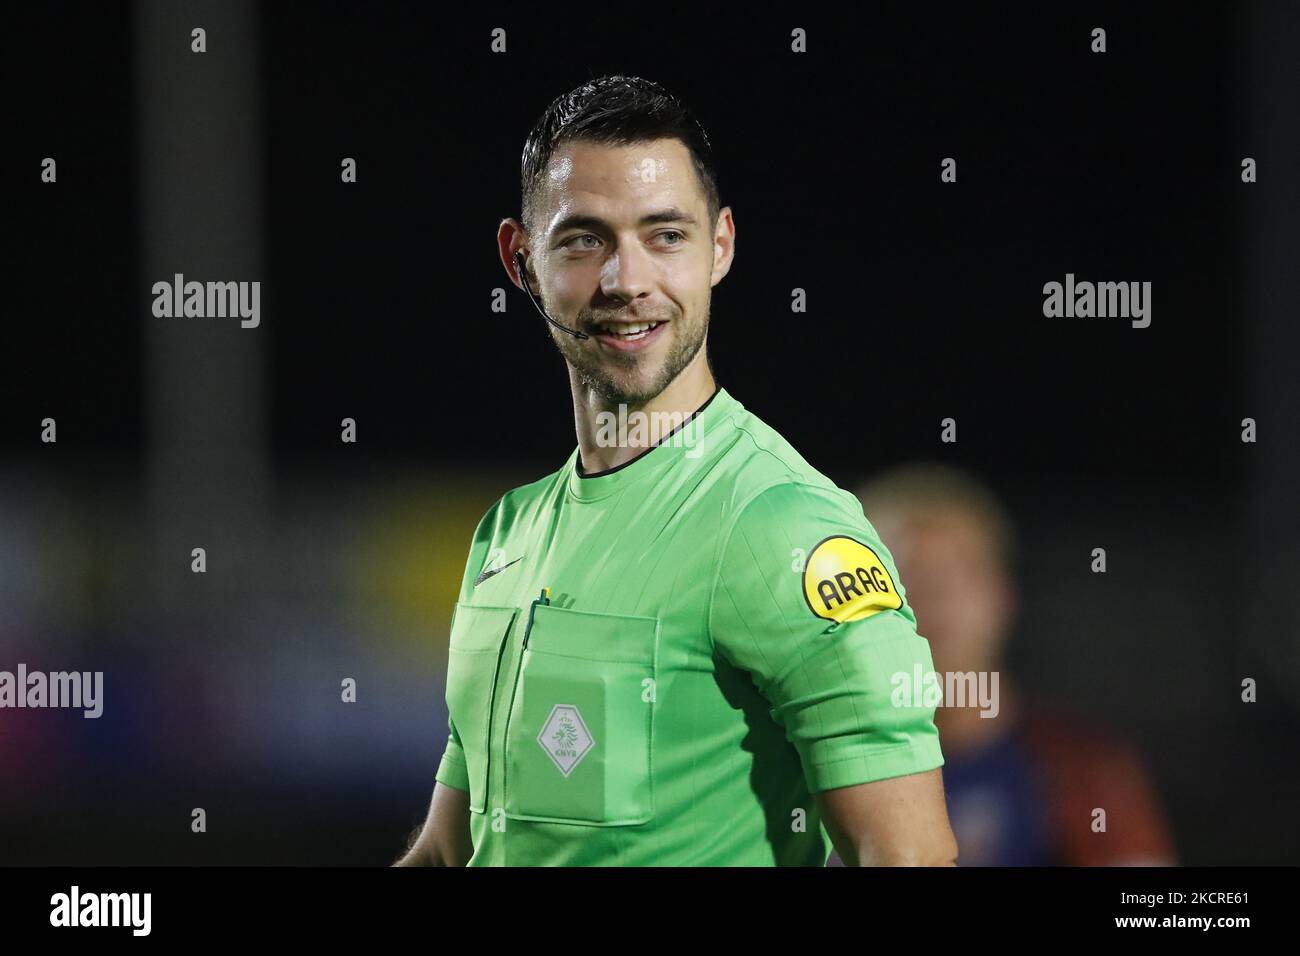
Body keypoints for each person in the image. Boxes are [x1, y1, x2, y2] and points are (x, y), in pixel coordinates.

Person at [395, 75, 956, 866]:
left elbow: (908, 856)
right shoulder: (506, 536)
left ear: (720, 247)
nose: (628, 281)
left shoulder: (783, 526)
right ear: (520, 259)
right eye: (585, 239)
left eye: (665, 236)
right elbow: (449, 852)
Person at [848, 462, 1177, 866]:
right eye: (899, 575)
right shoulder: (795, 770)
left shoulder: (1086, 771)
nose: (933, 597)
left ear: (1002, 597)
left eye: (958, 572)